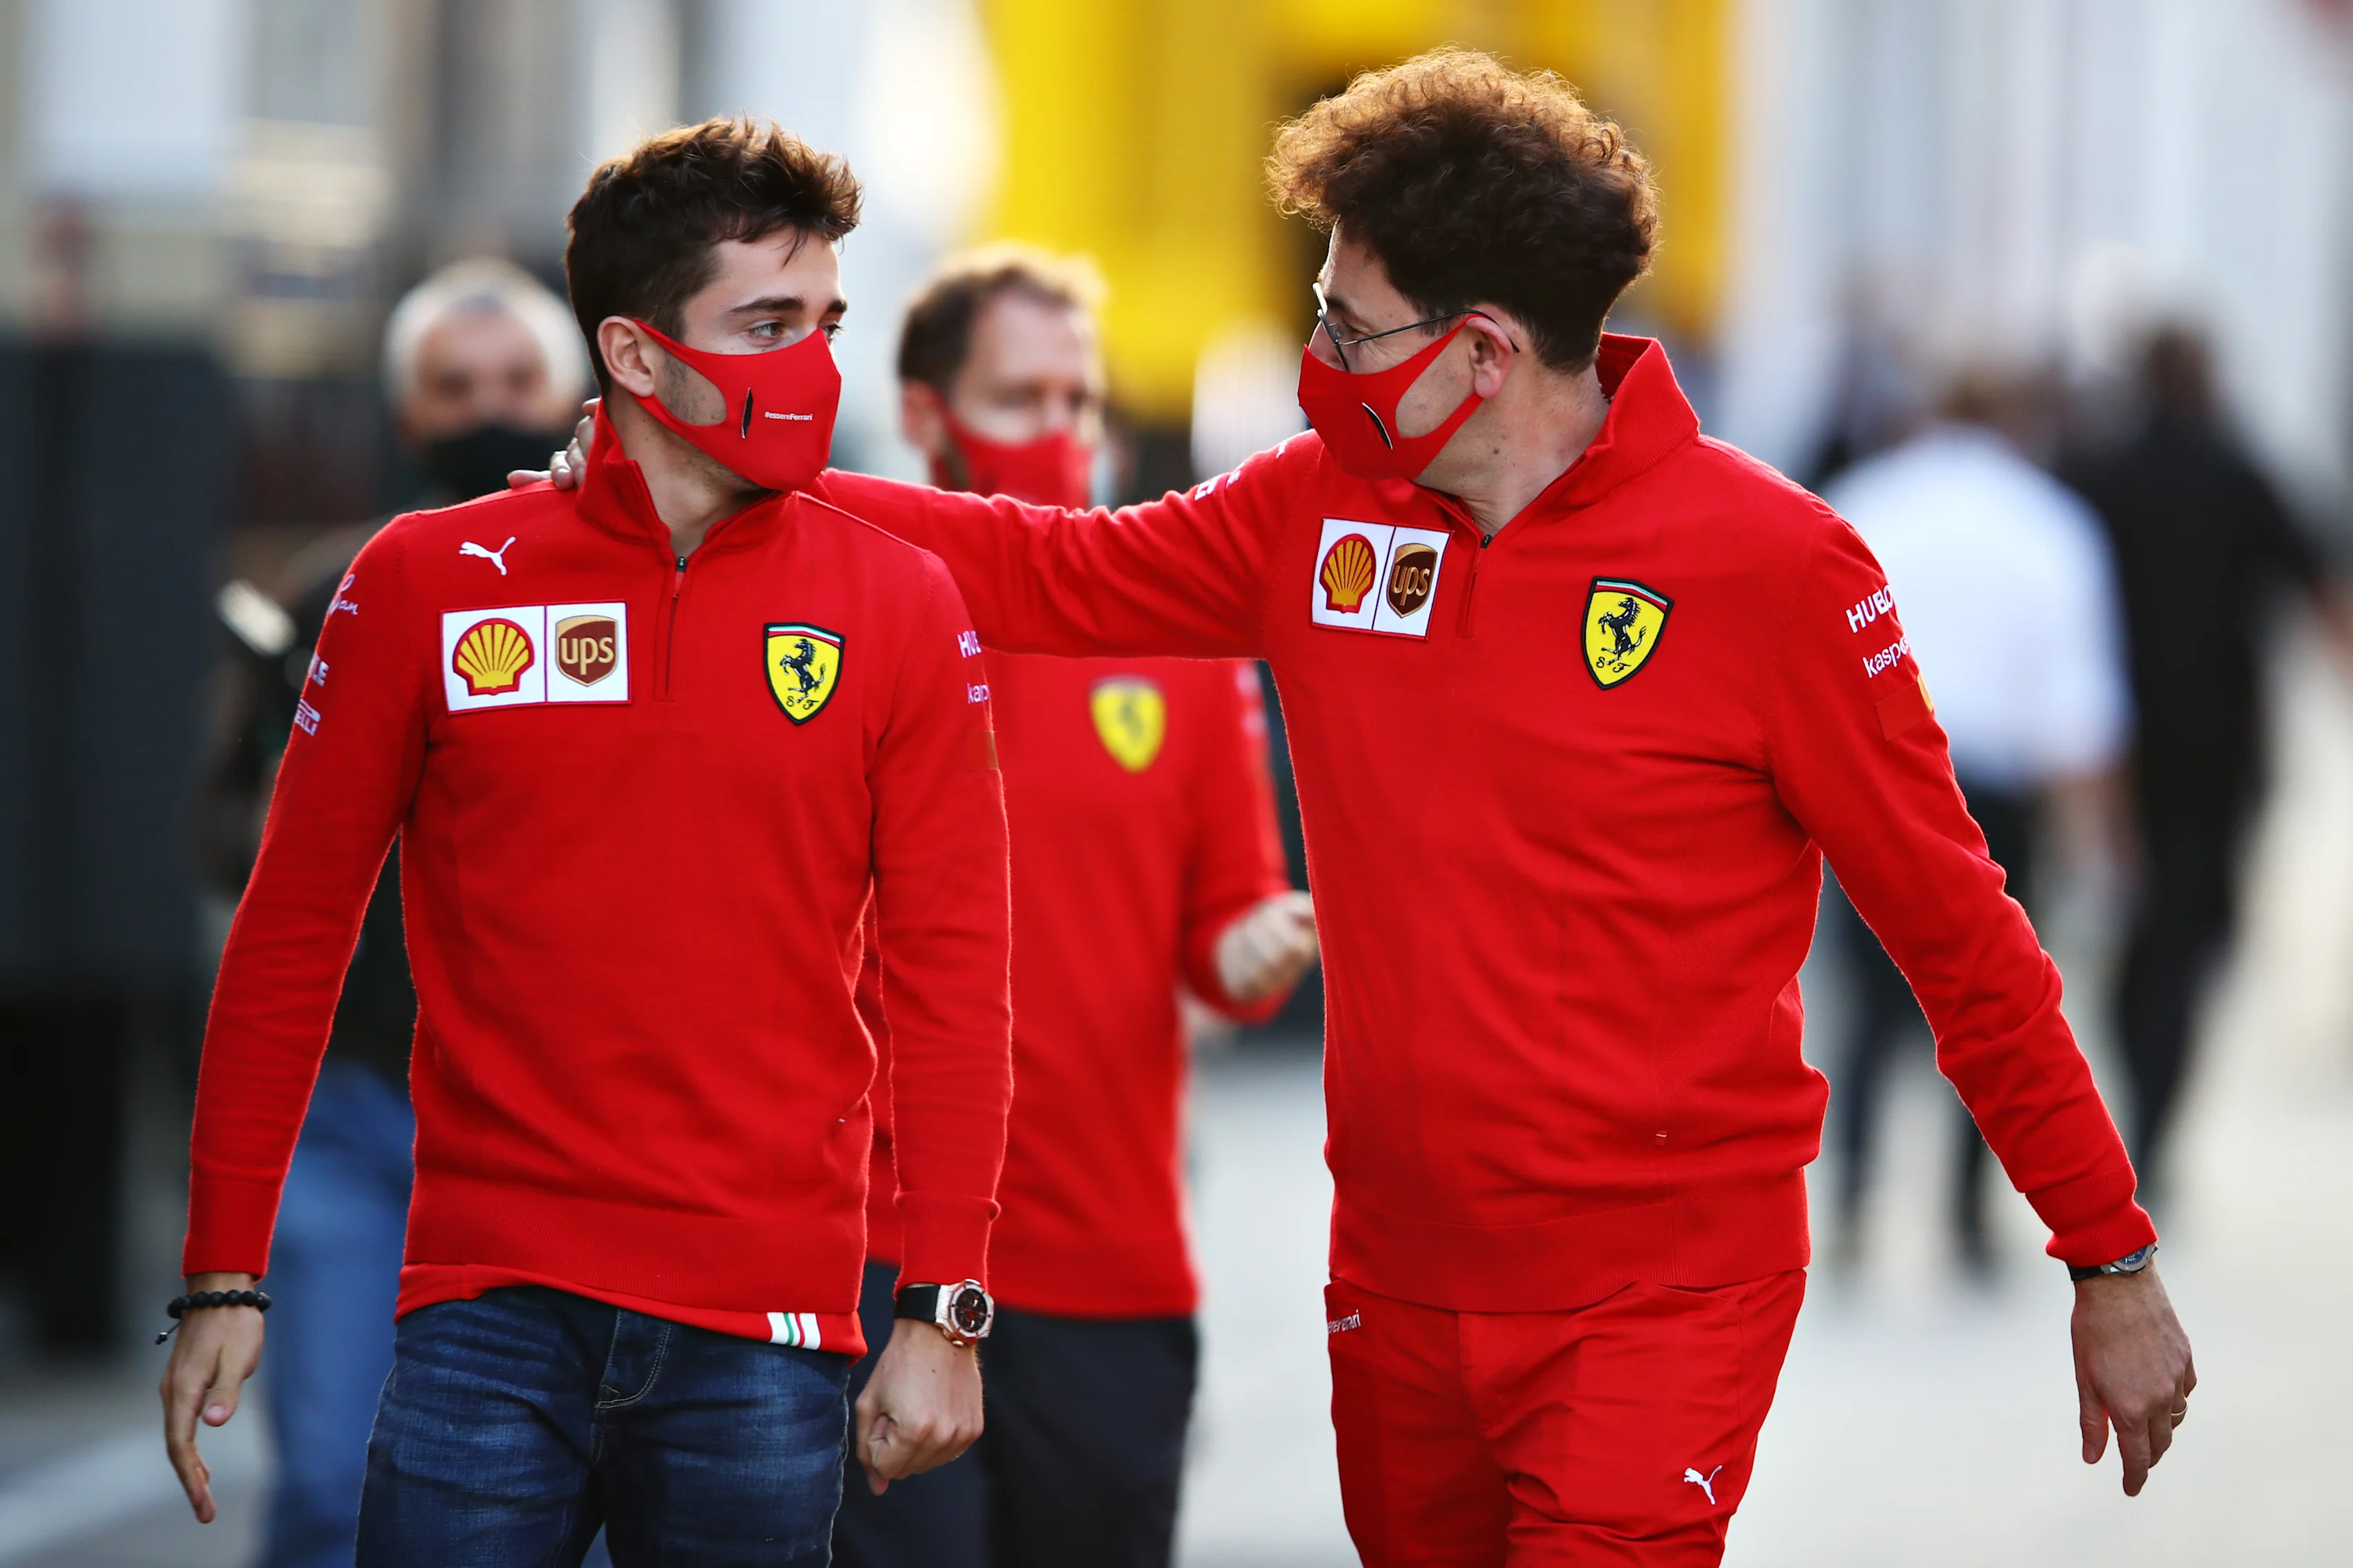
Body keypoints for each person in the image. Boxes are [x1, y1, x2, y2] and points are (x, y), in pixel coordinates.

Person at [549, 54, 2196, 1562]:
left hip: (1658, 1294)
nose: (1315, 358)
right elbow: (1048, 570)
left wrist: (2103, 1258)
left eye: (1347, 328)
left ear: (1476, 356)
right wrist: (725, 464)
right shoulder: (1317, 513)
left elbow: (1956, 931)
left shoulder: (1770, 567)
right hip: (1396, 1287)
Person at [161, 118, 1014, 1567]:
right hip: (482, 1306)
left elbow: (957, 975)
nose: (808, 364)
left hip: (767, 1327)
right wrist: (221, 1273)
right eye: (764, 323)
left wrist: (942, 1305)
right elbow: (288, 929)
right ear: (634, 353)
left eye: (823, 323)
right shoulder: (424, 581)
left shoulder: (901, 600)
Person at [828, 245, 1318, 1568]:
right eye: (1021, 399)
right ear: (925, 414)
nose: (1062, 436)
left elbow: (1228, 935)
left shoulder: (1175, 639)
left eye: (1082, 402)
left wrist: (1260, 945)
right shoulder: (840, 608)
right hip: (872, 1253)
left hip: (1109, 1259)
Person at [197, 257, 590, 1568]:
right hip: (357, 1111)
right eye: (453, 387)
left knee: (573, 1500)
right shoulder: (330, 598)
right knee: (328, 1485)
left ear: (576, 391)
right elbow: (225, 836)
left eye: (515, 382)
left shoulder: (644, 592)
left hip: (559, 1127)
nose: (487, 409)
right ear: (405, 413)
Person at [1820, 367, 2132, 1273]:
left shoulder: (1862, 502)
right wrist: (2099, 849)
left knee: (1871, 1009)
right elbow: (2079, 710)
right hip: (1994, 791)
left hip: (1866, 781)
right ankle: (1964, 1217)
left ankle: (1852, 1194)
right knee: (1987, 1004)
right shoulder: (2052, 525)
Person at [2061, 325, 2353, 1176]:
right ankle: (2152, 1117)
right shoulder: (2242, 471)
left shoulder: (2095, 470)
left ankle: (2136, 1076)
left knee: (2131, 931)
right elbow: (2318, 593)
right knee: (2190, 940)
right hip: (2221, 751)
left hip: (2114, 744)